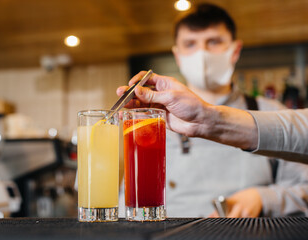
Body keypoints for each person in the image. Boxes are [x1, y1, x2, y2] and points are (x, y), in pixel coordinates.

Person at [118, 4, 308, 217]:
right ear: (178, 56)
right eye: (190, 44)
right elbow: (127, 203)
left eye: (214, 42)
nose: (202, 54)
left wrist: (265, 199)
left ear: (234, 50)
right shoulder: (150, 124)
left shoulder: (272, 113)